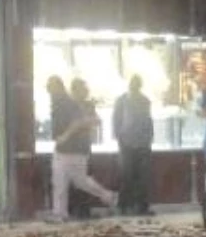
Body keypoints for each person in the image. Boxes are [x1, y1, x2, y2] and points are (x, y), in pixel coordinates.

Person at [48, 76, 117, 222]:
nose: (48, 90)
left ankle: (60, 213)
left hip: (68, 149)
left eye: (50, 87)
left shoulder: (66, 103)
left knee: (61, 181)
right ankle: (107, 196)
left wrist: (65, 136)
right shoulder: (67, 103)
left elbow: (80, 122)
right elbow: (87, 121)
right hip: (77, 150)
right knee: (78, 181)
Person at [113, 75, 155, 216]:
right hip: (126, 144)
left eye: (137, 84)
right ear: (129, 85)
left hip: (143, 145)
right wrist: (120, 139)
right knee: (126, 176)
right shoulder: (121, 101)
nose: (135, 86)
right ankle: (123, 206)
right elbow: (115, 121)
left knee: (143, 178)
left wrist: (149, 139)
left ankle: (142, 207)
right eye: (133, 84)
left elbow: (149, 121)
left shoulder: (145, 101)